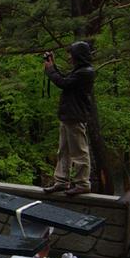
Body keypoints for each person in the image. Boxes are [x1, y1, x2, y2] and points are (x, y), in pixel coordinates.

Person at [43, 41, 96, 197]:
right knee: (63, 151)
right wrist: (53, 67)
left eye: (71, 54)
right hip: (68, 116)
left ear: (77, 55)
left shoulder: (85, 72)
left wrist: (51, 69)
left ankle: (82, 183)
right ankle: (61, 181)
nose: (69, 57)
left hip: (75, 116)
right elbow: (65, 80)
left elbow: (63, 83)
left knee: (79, 151)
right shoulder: (80, 71)